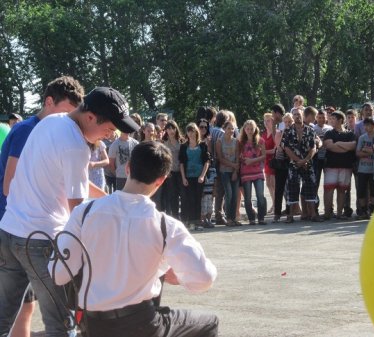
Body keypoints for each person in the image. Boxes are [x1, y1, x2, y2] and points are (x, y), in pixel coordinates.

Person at [0, 86, 140, 337]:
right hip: (40, 240)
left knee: (3, 315)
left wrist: (112, 200)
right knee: (62, 323)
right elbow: (77, 211)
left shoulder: (51, 122)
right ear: (90, 117)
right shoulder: (76, 145)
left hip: (9, 231)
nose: (110, 135)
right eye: (109, 128)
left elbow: (73, 183)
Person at [50, 141, 218, 337]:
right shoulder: (165, 225)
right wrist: (179, 275)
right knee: (209, 323)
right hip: (141, 324)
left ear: (128, 167)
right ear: (161, 180)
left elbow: (58, 274)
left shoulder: (84, 212)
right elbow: (204, 279)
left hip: (94, 324)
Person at [0, 76, 84, 337]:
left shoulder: (41, 129)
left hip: (18, 230)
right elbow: (9, 184)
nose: (72, 120)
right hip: (25, 231)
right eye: (68, 111)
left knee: (22, 309)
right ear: (49, 102)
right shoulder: (29, 129)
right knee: (53, 316)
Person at [282, 108, 322, 223]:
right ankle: (290, 216)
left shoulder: (310, 130)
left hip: (307, 163)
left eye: (299, 114)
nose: (297, 116)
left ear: (303, 116)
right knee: (292, 187)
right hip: (293, 164)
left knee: (311, 186)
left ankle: (313, 214)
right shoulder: (288, 131)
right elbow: (286, 148)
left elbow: (314, 147)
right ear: (292, 117)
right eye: (294, 115)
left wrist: (305, 160)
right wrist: (298, 160)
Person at [323, 111, 357, 220]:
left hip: (346, 166)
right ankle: (328, 213)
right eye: (330, 118)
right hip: (331, 166)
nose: (330, 120)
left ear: (340, 120)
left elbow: (353, 146)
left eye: (333, 119)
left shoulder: (350, 133)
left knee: (342, 190)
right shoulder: (329, 133)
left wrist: (338, 144)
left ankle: (339, 213)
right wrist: (344, 148)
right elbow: (329, 146)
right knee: (329, 190)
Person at [179, 123, 210, 230]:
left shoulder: (202, 145)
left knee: (198, 199)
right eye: (189, 131)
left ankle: (197, 222)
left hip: (199, 176)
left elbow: (207, 161)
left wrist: (202, 175)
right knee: (190, 199)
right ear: (186, 133)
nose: (191, 134)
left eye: (193, 131)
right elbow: (181, 163)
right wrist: (183, 178)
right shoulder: (183, 146)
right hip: (187, 176)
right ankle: (190, 222)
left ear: (196, 132)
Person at [239, 120, 267, 225]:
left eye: (252, 129)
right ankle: (251, 218)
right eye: (248, 129)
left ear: (255, 129)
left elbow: (264, 156)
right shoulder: (240, 142)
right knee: (247, 197)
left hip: (258, 172)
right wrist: (243, 159)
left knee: (260, 195)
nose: (250, 131)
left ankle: (261, 217)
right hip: (246, 173)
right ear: (244, 130)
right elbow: (239, 156)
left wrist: (252, 161)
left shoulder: (260, 141)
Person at [216, 120, 240, 226]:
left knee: (235, 194)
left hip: (234, 171)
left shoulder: (236, 141)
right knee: (229, 194)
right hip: (224, 171)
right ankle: (229, 218)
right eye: (229, 128)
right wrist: (233, 165)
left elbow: (238, 157)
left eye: (232, 128)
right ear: (224, 129)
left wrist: (235, 170)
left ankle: (233, 218)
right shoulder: (219, 141)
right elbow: (220, 158)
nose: (231, 130)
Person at [355, 118, 374, 219]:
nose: (366, 127)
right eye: (365, 125)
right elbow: (358, 153)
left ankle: (372, 210)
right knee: (361, 191)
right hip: (363, 169)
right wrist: (371, 151)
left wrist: (367, 150)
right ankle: (363, 211)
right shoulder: (362, 138)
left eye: (368, 125)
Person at [161, 120, 183, 218]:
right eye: (169, 128)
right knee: (173, 196)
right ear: (166, 130)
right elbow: (163, 159)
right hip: (170, 173)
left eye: (173, 128)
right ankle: (175, 216)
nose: (171, 131)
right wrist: (166, 171)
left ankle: (184, 216)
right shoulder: (164, 143)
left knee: (183, 194)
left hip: (181, 171)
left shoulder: (182, 141)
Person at [261, 113, 276, 213]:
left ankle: (276, 204)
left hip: (274, 161)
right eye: (265, 121)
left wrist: (263, 152)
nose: (266, 123)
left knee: (274, 184)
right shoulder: (263, 134)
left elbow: (275, 150)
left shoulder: (276, 133)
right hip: (266, 161)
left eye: (268, 120)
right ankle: (274, 203)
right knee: (268, 184)